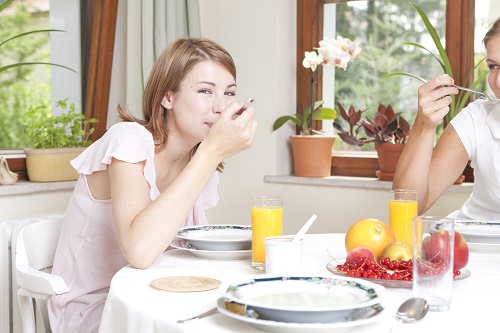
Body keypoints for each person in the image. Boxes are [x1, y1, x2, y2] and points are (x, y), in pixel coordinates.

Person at [47, 37, 257, 333]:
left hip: (161, 297)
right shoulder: (129, 141)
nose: (221, 107)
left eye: (229, 93)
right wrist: (212, 153)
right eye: (205, 91)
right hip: (100, 309)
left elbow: (184, 252)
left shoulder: (198, 162)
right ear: (167, 97)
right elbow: (140, 251)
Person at [393, 17, 500, 221]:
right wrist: (424, 126)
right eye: (494, 66)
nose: (498, 82)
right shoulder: (476, 117)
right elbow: (409, 205)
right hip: (470, 247)